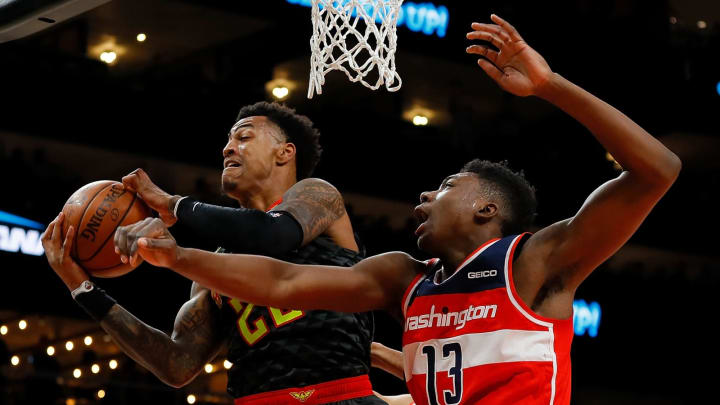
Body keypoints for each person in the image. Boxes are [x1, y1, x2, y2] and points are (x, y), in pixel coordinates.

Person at [112, 15, 681, 405]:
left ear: (487, 207)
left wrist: (550, 86)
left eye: (445, 186)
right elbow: (283, 282)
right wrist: (177, 256)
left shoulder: (535, 263)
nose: (424, 198)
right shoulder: (404, 278)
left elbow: (658, 171)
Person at [42, 102, 385, 405]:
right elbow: (177, 364)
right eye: (227, 141)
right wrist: (81, 288)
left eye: (244, 137)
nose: (228, 149)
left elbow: (273, 234)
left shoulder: (318, 196)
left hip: (339, 397)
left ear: (285, 152)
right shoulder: (216, 268)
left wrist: (175, 204)